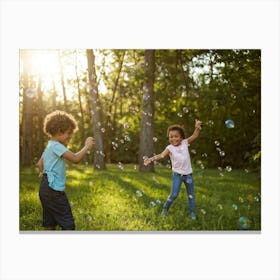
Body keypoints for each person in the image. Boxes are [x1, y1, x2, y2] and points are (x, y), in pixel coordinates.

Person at [37, 110, 95, 230]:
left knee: (49, 222)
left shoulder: (50, 145)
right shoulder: (57, 146)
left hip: (45, 188)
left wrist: (42, 173)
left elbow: (39, 163)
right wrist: (87, 146)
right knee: (68, 223)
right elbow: (75, 159)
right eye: (68, 133)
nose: (70, 136)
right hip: (54, 191)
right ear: (59, 131)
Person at [144, 119, 202, 219]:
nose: (173, 139)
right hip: (177, 175)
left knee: (191, 195)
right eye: (171, 137)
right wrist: (150, 159)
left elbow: (195, 135)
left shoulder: (185, 143)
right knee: (174, 194)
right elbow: (161, 155)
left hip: (188, 175)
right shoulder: (170, 148)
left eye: (176, 136)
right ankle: (165, 209)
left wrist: (197, 127)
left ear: (181, 137)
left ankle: (192, 213)